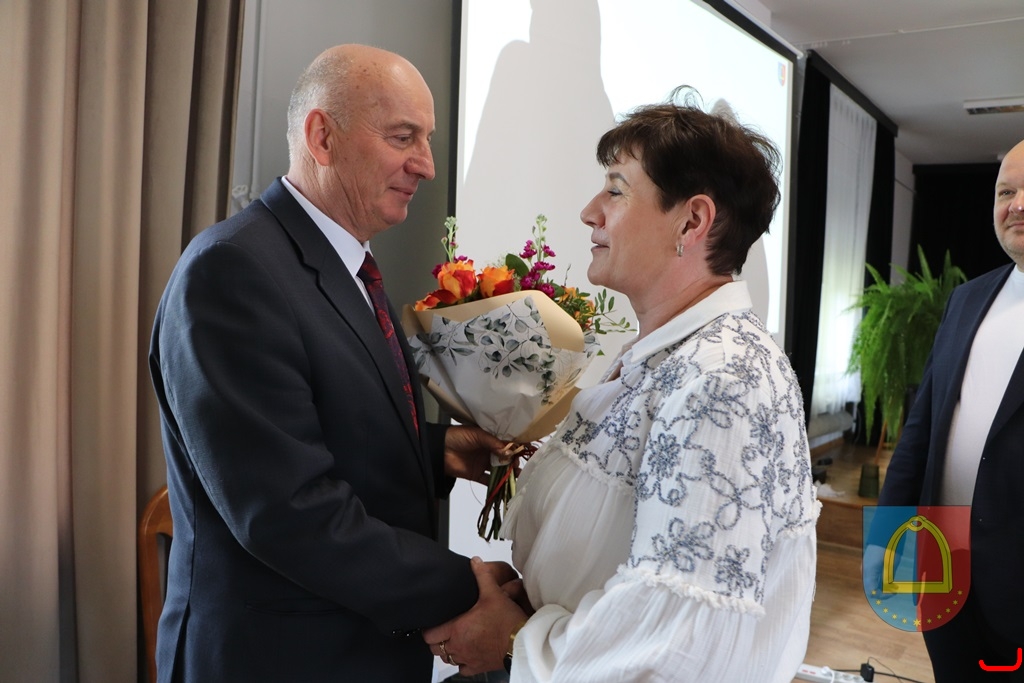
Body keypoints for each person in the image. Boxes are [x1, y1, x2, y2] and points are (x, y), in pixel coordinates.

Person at [423, 90, 819, 682]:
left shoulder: (723, 380)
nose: (590, 212)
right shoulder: (668, 355)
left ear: (692, 221)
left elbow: (678, 640)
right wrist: (534, 599)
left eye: (615, 189)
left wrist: (516, 643)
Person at [149, 44, 511, 682]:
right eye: (403, 137)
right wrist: (467, 586)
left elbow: (330, 426)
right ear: (322, 137)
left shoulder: (348, 264)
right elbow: (286, 511)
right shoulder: (231, 271)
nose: (426, 165)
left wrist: (441, 452)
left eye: (427, 140)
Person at [877, 139, 1024, 681]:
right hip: (943, 566)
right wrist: (886, 542)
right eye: (1005, 192)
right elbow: (922, 429)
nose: (1017, 205)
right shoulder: (968, 299)